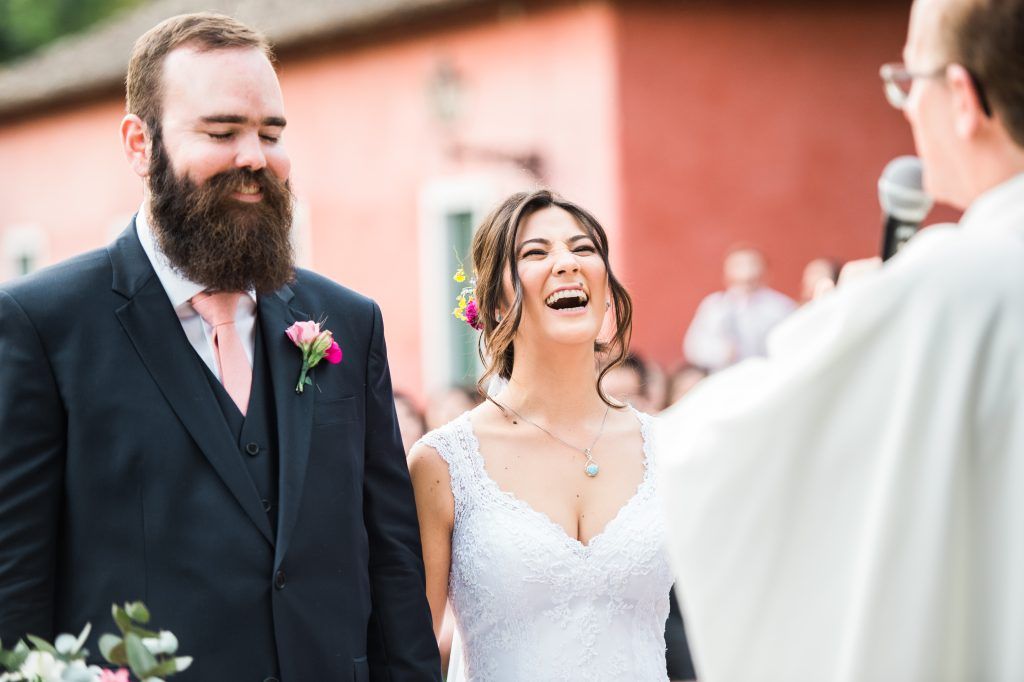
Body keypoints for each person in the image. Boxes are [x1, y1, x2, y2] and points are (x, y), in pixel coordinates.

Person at [0, 13, 440, 681]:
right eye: (222, 132)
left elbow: (391, 564)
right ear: (140, 143)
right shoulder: (42, 327)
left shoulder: (350, 323)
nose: (255, 158)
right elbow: (15, 589)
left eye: (271, 133)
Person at [659, 0, 1024, 680]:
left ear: (963, 98)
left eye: (908, 83)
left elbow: (710, 454)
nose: (907, 108)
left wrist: (841, 327)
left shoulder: (945, 287)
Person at [408, 190, 674, 681]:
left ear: (605, 288)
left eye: (583, 248)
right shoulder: (443, 463)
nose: (567, 263)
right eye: (535, 252)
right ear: (494, 300)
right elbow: (410, 654)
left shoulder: (666, 447)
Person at [682, 245, 796, 372]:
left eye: (751, 263)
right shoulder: (715, 305)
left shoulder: (780, 306)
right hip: (726, 375)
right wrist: (721, 352)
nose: (746, 270)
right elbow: (694, 346)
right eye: (738, 265)